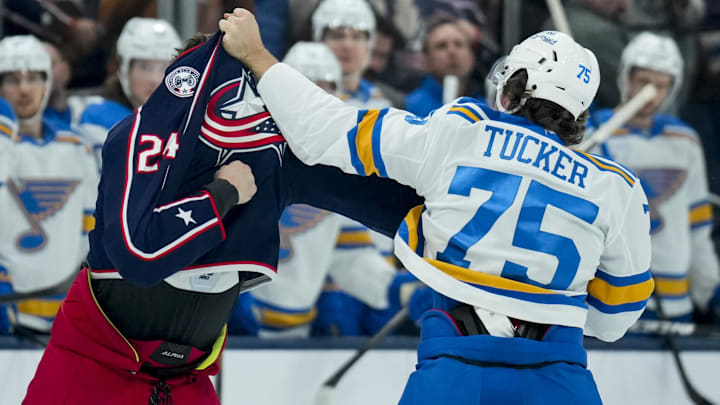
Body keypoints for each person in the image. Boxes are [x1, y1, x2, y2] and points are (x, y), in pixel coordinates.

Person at [221, 11, 653, 402]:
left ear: (514, 86)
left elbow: (323, 133)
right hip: (560, 377)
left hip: (454, 369)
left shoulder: (461, 130)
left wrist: (257, 56)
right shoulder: (617, 187)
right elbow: (615, 319)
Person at [24, 32, 422, 405]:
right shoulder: (134, 137)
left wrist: (447, 236)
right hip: (93, 366)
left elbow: (371, 197)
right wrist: (222, 195)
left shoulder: (268, 154)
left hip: (185, 379)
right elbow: (140, 252)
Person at [232, 42, 419, 337]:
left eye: (324, 88)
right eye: (306, 86)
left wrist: (398, 290)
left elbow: (348, 256)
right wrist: (225, 291)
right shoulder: (244, 150)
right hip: (227, 328)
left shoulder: (337, 170)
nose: (313, 99)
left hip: (295, 335)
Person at [589, 32, 720, 323]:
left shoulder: (685, 140)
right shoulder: (595, 135)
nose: (651, 93)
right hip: (611, 300)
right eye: (643, 81)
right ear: (625, 77)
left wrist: (709, 288)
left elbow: (697, 224)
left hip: (675, 302)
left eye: (661, 85)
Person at [0, 35, 98, 334]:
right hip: (8, 308)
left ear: (48, 82)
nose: (24, 89)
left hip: (65, 314)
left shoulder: (77, 147)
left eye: (34, 77)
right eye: (12, 79)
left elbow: (90, 232)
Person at [79, 17, 182, 168]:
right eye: (144, 67)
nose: (154, 79)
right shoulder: (98, 116)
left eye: (164, 68)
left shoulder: (185, 120)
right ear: (124, 69)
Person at [313, 0, 392, 110]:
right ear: (319, 41)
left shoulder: (386, 101)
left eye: (357, 37)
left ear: (370, 44)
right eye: (337, 36)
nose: (347, 45)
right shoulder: (305, 96)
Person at [405, 14, 481, 117]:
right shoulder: (406, 110)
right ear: (426, 60)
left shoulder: (489, 108)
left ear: (472, 57)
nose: (452, 51)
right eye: (441, 46)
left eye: (459, 44)